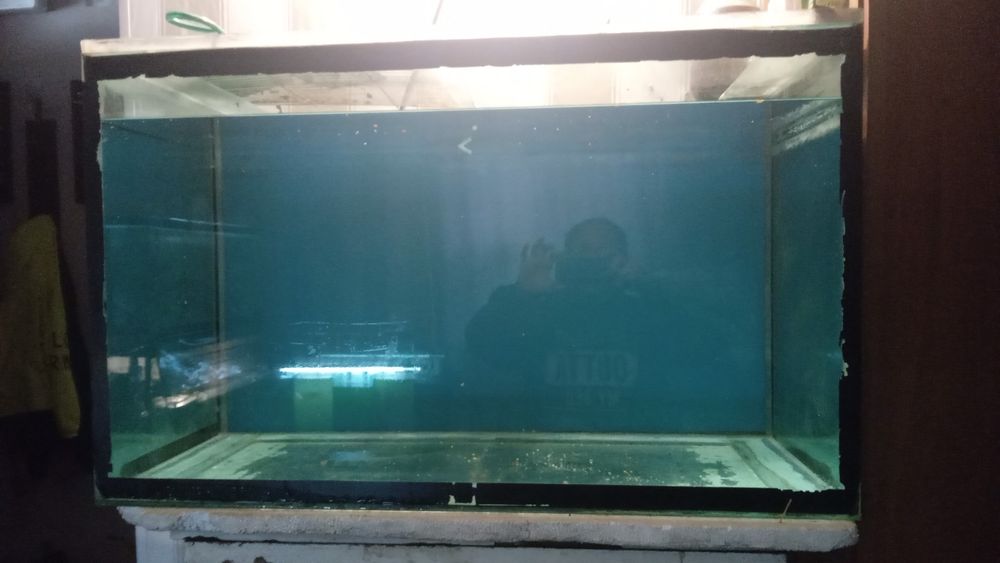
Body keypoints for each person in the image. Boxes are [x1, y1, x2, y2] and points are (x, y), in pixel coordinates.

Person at [465, 218, 667, 404]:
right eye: (583, 250)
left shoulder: (644, 308)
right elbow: (482, 346)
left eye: (603, 251)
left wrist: (649, 285)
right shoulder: (539, 305)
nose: (592, 257)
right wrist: (522, 292)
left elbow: (681, 341)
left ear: (624, 259)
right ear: (566, 257)